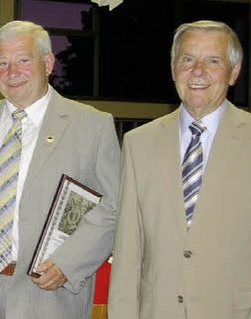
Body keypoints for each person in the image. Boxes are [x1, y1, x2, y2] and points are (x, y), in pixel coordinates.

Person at [0, 20, 120, 319]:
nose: (13, 72)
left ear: (48, 63)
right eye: (3, 63)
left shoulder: (92, 126)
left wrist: (69, 263)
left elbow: (115, 206)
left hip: (46, 293)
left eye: (24, 60)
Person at [108, 20, 249, 319]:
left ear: (234, 72)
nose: (198, 71)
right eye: (187, 59)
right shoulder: (138, 143)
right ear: (174, 69)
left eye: (213, 60)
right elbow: (128, 250)